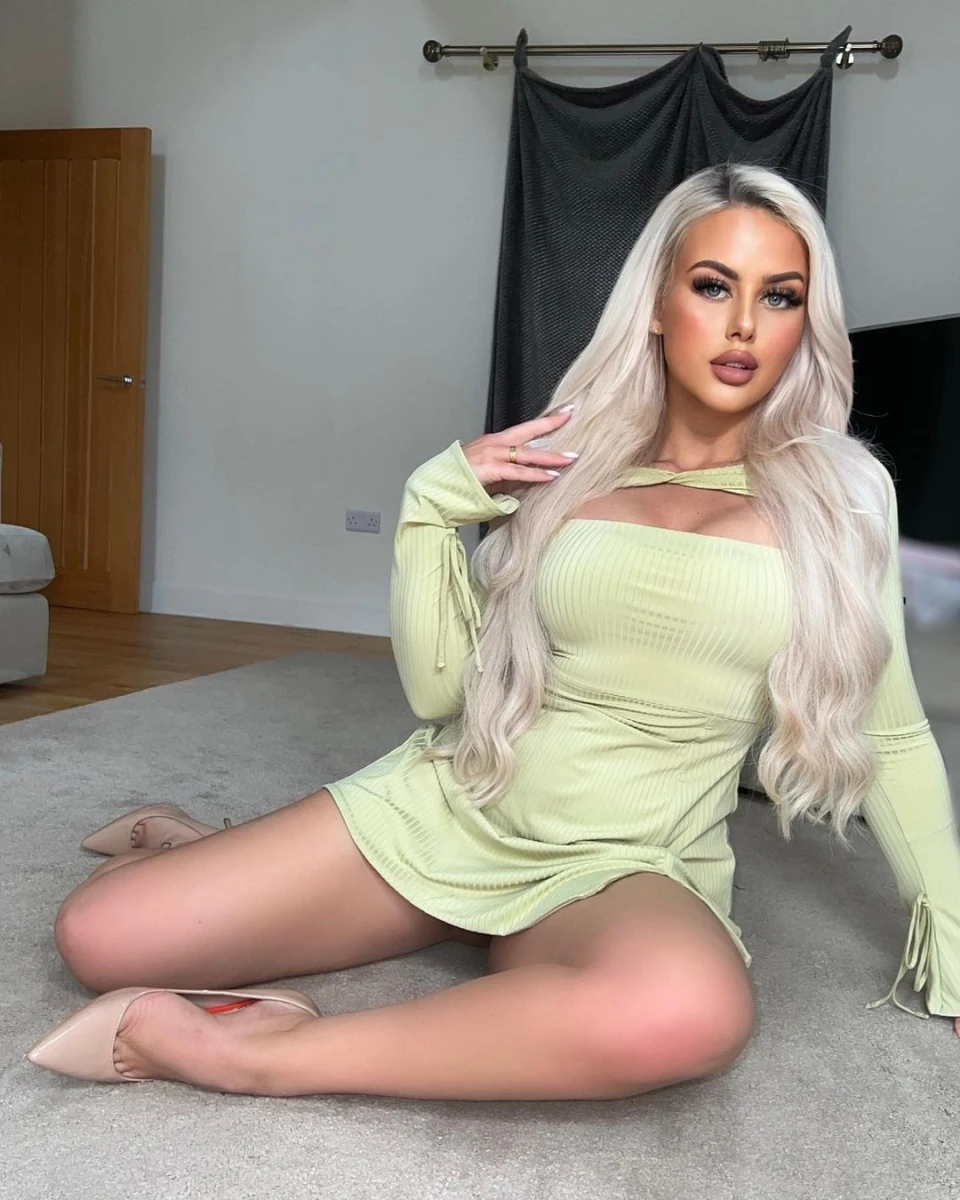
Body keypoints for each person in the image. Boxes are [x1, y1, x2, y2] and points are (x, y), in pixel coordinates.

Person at [27, 163, 960, 1101]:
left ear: (806, 321)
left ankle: (255, 1052)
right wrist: (430, 506)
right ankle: (215, 855)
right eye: (713, 286)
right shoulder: (569, 465)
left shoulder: (841, 497)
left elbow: (889, 732)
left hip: (625, 863)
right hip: (466, 798)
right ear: (655, 304)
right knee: (98, 936)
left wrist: (954, 942)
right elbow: (444, 695)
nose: (745, 325)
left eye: (780, 296)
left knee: (687, 1012)